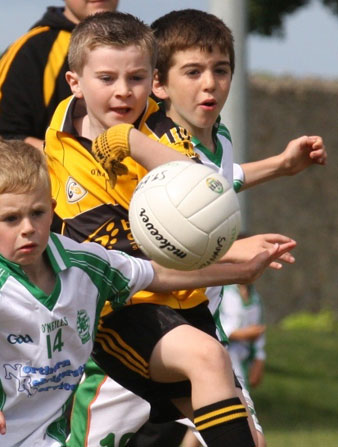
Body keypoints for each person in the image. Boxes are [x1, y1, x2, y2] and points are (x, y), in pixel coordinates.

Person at [0, 139, 286, 447]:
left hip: (46, 438)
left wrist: (240, 267)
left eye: (37, 214)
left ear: (53, 210)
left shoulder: (84, 263)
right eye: (10, 219)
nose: (27, 228)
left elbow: (154, 273)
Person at [43, 11, 297, 447]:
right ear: (75, 82)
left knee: (249, 436)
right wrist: (233, 262)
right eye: (107, 78)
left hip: (188, 307)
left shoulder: (163, 129)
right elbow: (135, 265)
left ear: (151, 79)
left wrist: (134, 141)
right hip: (122, 313)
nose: (124, 91)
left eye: (137, 77)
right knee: (206, 357)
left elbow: (207, 189)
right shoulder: (64, 158)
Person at [149, 8, 327, 447]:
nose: (210, 83)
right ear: (159, 83)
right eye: (192, 71)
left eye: (221, 69)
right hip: (147, 321)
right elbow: (153, 241)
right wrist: (234, 252)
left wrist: (281, 166)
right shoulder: (155, 146)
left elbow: (216, 183)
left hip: (200, 323)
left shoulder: (218, 137)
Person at [0, 0, 118, 151]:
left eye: (136, 77)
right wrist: (72, 159)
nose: (123, 90)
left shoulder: (140, 46)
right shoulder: (31, 50)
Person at [220, 284, 266, 389]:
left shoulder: (255, 298)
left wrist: (259, 359)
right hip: (224, 355)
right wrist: (240, 334)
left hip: (244, 359)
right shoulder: (222, 291)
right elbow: (213, 322)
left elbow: (259, 330)